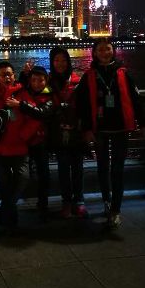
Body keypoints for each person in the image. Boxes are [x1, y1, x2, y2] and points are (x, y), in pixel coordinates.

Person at [77, 38, 145, 228]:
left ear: (113, 51)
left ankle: (116, 209)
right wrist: (86, 129)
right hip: (99, 129)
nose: (104, 52)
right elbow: (83, 105)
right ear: (94, 53)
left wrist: (143, 123)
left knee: (117, 170)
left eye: (107, 49)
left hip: (121, 128)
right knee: (102, 168)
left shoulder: (123, 73)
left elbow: (136, 99)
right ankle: (107, 202)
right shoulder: (89, 76)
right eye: (100, 49)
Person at [0, 62, 32, 231]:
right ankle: (11, 218)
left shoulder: (23, 92)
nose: (7, 77)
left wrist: (24, 135)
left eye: (10, 74)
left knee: (23, 178)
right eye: (3, 74)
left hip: (19, 147)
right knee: (4, 185)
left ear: (14, 76)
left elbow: (33, 117)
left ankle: (4, 211)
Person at [7, 66, 54, 220]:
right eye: (34, 80)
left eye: (41, 80)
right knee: (24, 175)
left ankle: (43, 205)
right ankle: (11, 206)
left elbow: (41, 113)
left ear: (46, 81)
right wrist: (23, 74)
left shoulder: (50, 97)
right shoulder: (24, 93)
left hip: (40, 142)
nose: (37, 83)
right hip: (25, 140)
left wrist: (20, 105)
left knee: (43, 174)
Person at [49, 47, 88, 219]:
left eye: (63, 60)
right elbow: (32, 92)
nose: (60, 63)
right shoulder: (48, 82)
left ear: (68, 61)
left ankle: (79, 201)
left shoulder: (77, 81)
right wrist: (25, 75)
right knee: (63, 168)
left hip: (76, 131)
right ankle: (66, 202)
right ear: (52, 62)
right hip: (58, 132)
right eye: (56, 60)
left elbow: (85, 105)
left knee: (78, 167)